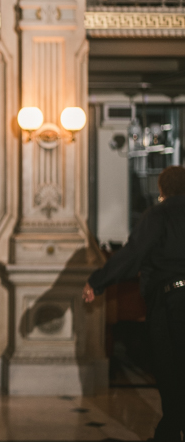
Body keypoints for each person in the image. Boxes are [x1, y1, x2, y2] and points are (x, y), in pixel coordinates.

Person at [83, 165, 185, 442]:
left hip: (171, 303)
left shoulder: (159, 214)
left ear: (162, 190)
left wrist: (97, 281)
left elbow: (132, 255)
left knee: (168, 371)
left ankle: (168, 435)